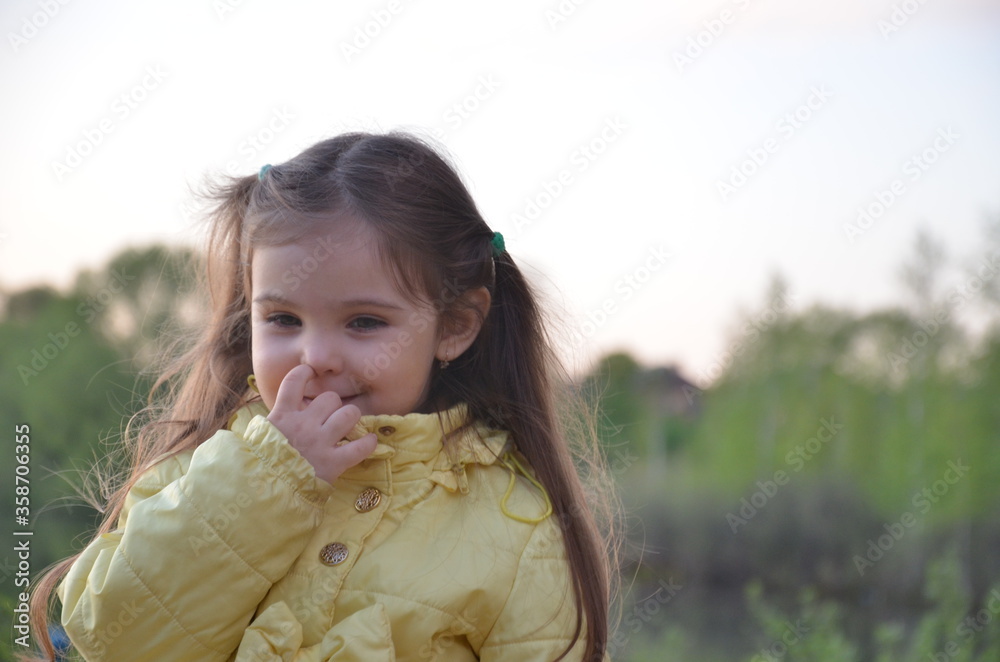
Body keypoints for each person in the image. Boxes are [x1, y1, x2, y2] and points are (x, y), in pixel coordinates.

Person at [27, 132, 615, 661]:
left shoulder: (516, 527)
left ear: (455, 326)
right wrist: (265, 481)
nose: (315, 356)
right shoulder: (204, 465)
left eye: (364, 322)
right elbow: (111, 640)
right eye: (283, 319)